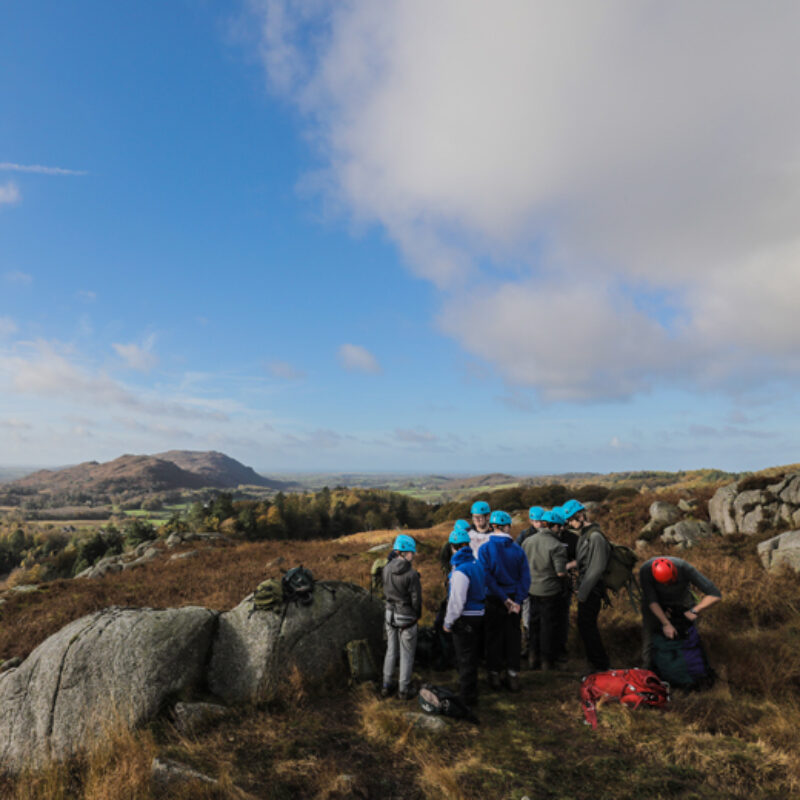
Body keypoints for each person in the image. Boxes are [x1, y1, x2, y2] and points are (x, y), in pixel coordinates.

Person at [478, 510, 531, 691]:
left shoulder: (484, 549)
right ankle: (512, 675)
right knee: (513, 638)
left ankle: (494, 674)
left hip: (494, 599)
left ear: (492, 526)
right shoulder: (518, 550)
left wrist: (503, 598)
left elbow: (486, 576)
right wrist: (516, 601)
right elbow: (526, 578)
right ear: (508, 527)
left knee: (493, 637)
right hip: (515, 600)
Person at [639, 556, 721, 669]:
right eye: (664, 584)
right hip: (654, 603)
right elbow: (652, 601)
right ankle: (648, 669)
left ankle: (693, 669)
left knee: (690, 637)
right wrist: (666, 623)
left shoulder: (684, 568)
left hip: (682, 602)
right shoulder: (645, 570)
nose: (667, 586)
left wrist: (694, 610)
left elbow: (715, 595)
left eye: (670, 582)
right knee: (649, 635)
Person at [564, 499, 611, 672]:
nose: (570, 523)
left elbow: (597, 567)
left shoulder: (596, 536)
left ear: (581, 515)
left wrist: (582, 593)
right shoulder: (585, 534)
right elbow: (585, 560)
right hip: (587, 587)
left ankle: (601, 665)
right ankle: (595, 662)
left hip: (592, 588)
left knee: (587, 626)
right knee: (585, 626)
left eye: (571, 519)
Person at [442, 526, 486, 706]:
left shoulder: (461, 570)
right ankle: (471, 690)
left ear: (453, 547)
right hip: (480, 614)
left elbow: (457, 602)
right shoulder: (476, 564)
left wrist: (448, 622)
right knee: (473, 656)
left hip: (466, 617)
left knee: (465, 658)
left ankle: (467, 698)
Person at [522, 509, 568, 670]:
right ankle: (547, 661)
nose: (562, 530)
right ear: (553, 526)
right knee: (548, 627)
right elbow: (560, 572)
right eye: (560, 527)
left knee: (533, 624)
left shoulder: (528, 541)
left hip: (531, 589)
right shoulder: (556, 546)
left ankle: (532, 657)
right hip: (550, 591)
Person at [381, 534, 422, 700]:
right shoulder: (412, 574)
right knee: (406, 654)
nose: (413, 555)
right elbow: (416, 600)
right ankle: (403, 689)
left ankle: (386, 684)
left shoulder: (386, 568)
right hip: (406, 616)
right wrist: (416, 615)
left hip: (389, 613)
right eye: (411, 552)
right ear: (403, 553)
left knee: (391, 650)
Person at [551, 505, 579, 664]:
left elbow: (580, 559)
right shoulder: (546, 537)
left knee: (562, 617)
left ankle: (561, 649)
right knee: (547, 617)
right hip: (547, 583)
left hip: (564, 583)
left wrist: (567, 566)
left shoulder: (572, 538)